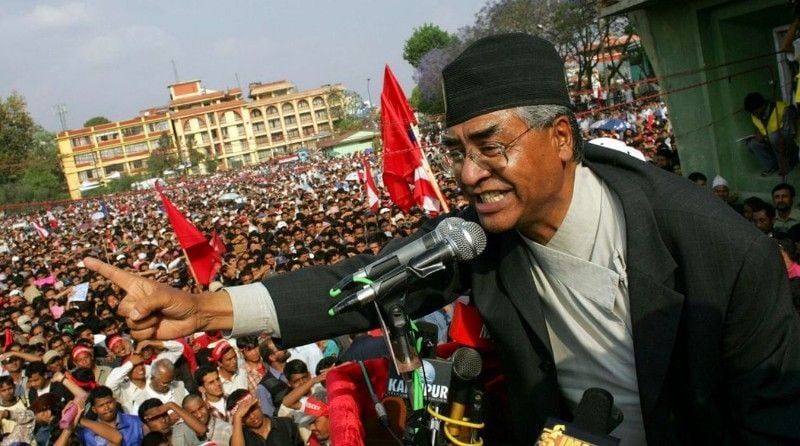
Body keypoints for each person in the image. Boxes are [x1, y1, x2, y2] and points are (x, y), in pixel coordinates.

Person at [86, 33, 800, 443]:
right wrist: (205, 310)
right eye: (455, 150)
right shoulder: (476, 238)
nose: (467, 173)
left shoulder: (719, 251)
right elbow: (357, 288)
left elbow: (772, 421)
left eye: (489, 146)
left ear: (559, 137)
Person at [743, 91, 797, 176]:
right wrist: (760, 137)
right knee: (752, 143)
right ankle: (771, 167)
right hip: (773, 145)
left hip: (790, 147)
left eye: (755, 111)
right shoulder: (755, 115)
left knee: (774, 137)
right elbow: (763, 131)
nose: (754, 115)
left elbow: (790, 134)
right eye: (752, 112)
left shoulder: (784, 109)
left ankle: (787, 165)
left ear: (763, 105)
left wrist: (769, 136)